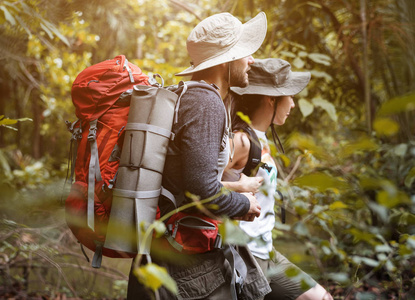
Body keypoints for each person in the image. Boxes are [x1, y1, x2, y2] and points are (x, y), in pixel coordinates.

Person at [127, 12, 272, 300]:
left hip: (174, 254)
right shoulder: (206, 102)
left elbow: (187, 181)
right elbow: (201, 191)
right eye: (245, 53)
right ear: (227, 60)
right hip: (188, 267)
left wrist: (238, 186)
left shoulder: (193, 96)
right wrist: (244, 203)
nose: (251, 60)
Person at [222, 58, 333, 300]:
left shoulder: (259, 139)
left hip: (267, 252)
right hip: (246, 257)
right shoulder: (241, 141)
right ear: (271, 99)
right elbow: (199, 184)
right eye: (290, 96)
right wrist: (239, 186)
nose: (293, 103)